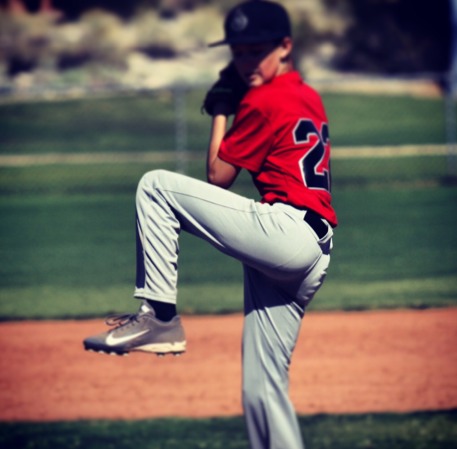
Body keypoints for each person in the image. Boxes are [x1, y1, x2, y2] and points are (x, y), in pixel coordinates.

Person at [84, 1, 337, 448]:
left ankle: (160, 318)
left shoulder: (263, 99)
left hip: (286, 232)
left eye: (256, 51)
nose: (246, 62)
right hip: (312, 251)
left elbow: (219, 175)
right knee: (262, 390)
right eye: (238, 52)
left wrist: (222, 109)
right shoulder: (307, 96)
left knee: (156, 187)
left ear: (285, 46)